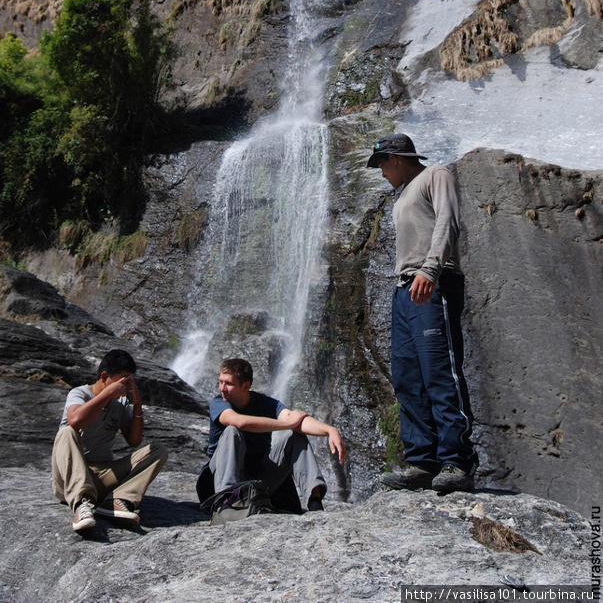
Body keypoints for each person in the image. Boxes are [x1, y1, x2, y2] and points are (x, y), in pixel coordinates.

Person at [366, 134, 478, 493]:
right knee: (407, 376)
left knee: (439, 371)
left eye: (382, 164)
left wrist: (430, 269)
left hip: (433, 282)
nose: (382, 172)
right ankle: (422, 461)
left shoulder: (436, 175)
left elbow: (448, 221)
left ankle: (456, 461)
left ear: (396, 158)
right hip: (404, 290)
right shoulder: (401, 195)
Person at [200, 357, 346, 513]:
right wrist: (288, 424)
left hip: (258, 480)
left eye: (228, 384)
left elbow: (295, 419)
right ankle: (226, 501)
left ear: (246, 386)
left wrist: (330, 430)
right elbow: (239, 421)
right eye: (220, 382)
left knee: (294, 435)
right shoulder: (219, 403)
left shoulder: (265, 403)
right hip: (219, 478)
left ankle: (315, 501)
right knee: (232, 431)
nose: (222, 388)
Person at [51, 348, 169, 531]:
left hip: (103, 475)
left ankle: (117, 500)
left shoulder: (120, 404)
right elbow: (75, 420)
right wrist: (108, 393)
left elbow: (134, 440)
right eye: (123, 380)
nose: (127, 385)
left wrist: (137, 404)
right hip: (70, 477)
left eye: (130, 380)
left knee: (158, 450)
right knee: (66, 432)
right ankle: (82, 503)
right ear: (105, 376)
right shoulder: (80, 394)